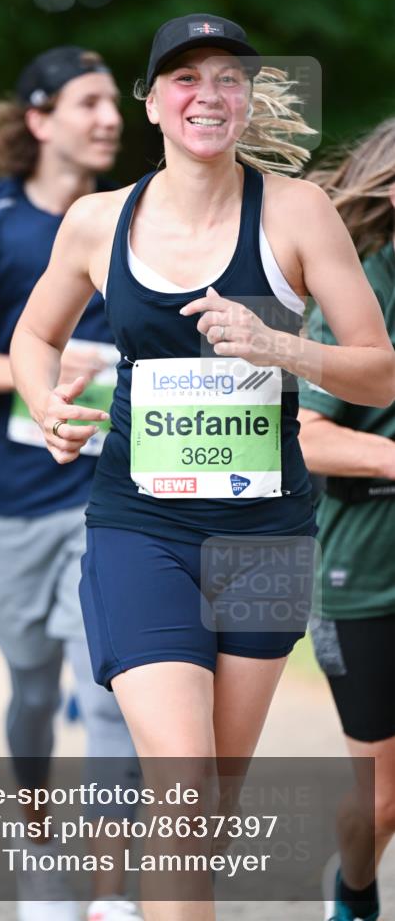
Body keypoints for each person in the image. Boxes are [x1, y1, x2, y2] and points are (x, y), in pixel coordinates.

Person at [10, 14, 395, 921]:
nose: (208, 95)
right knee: (181, 791)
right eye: (185, 79)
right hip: (141, 525)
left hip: (264, 536)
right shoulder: (97, 221)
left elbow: (377, 365)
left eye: (227, 78)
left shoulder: (294, 211)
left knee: (206, 813)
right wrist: (44, 403)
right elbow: (34, 334)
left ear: (246, 99)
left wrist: (278, 346)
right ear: (152, 103)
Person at [0, 46, 140, 921]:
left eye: (114, 103)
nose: (110, 118)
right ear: (39, 119)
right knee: (35, 688)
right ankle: (37, 845)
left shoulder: (138, 220)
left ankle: (108, 893)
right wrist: (40, 366)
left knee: (108, 689)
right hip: (6, 500)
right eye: (88, 103)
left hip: (111, 497)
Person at [297, 117, 395, 921]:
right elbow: (307, 440)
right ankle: (352, 893)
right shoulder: (364, 286)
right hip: (365, 575)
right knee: (383, 800)